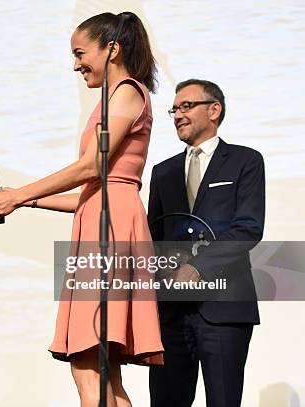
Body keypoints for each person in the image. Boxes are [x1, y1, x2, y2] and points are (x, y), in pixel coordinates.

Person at [0, 12, 163, 407]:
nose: (76, 64)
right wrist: (21, 196)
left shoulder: (127, 91)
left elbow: (90, 168)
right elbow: (91, 191)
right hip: (106, 220)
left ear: (112, 49)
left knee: (86, 361)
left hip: (110, 231)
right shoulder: (116, 97)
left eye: (81, 53)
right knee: (103, 372)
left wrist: (20, 194)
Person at [147, 79, 265, 406]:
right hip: (171, 315)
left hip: (224, 311)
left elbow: (248, 229)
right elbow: (153, 237)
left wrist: (197, 267)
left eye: (186, 106)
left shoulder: (246, 161)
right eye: (174, 109)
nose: (177, 115)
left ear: (214, 110)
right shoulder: (163, 172)